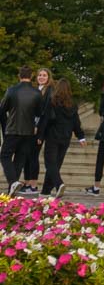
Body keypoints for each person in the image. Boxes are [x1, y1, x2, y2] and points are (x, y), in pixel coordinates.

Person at [38, 79, 83, 199]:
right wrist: (81, 137)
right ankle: (45, 191)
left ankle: (59, 184)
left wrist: (40, 136)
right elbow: (76, 122)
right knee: (56, 164)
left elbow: (45, 119)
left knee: (50, 163)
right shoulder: (72, 104)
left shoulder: (52, 101)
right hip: (65, 137)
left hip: (53, 136)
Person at [2, 67, 42, 195]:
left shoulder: (12, 90)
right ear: (31, 76)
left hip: (13, 129)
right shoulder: (37, 93)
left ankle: (13, 182)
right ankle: (11, 190)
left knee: (5, 156)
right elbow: (39, 112)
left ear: (19, 75)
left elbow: (2, 108)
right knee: (20, 159)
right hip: (28, 132)